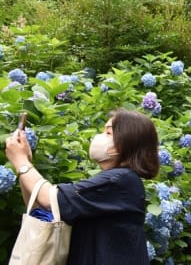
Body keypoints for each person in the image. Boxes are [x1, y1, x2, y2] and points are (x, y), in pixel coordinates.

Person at [5, 109, 160, 264]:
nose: (99, 137)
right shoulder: (115, 181)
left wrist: (21, 162)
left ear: (128, 141)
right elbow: (42, 206)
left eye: (108, 133)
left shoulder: (121, 180)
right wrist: (24, 164)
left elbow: (48, 199)